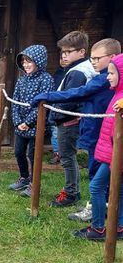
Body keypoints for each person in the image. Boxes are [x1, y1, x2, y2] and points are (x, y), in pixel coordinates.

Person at [30, 38, 121, 222]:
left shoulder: (105, 79)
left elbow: (77, 92)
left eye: (97, 58)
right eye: (92, 58)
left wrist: (48, 96)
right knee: (100, 177)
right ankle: (104, 212)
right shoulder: (104, 78)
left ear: (112, 57)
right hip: (96, 133)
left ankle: (99, 216)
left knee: (98, 178)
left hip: (100, 135)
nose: (93, 62)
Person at [72, 54, 123, 240]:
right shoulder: (117, 94)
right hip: (111, 152)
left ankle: (99, 227)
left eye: (111, 73)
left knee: (96, 186)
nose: (108, 77)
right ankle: (119, 227)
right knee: (120, 189)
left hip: (116, 154)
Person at [46, 31, 95, 207]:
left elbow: (70, 100)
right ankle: (71, 190)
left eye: (69, 51)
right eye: (63, 52)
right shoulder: (79, 69)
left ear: (82, 52)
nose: (65, 55)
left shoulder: (78, 72)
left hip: (69, 121)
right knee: (68, 157)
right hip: (70, 119)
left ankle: (71, 193)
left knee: (67, 158)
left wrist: (55, 115)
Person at [8, 45, 54, 198]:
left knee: (33, 155)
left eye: (29, 61)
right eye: (24, 61)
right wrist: (17, 121)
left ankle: (35, 184)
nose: (26, 65)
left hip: (37, 125)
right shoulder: (21, 80)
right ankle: (24, 178)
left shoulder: (46, 80)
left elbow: (43, 106)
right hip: (20, 125)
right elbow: (15, 102)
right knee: (19, 152)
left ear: (39, 61)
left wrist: (28, 122)